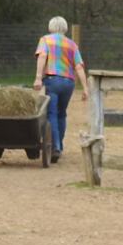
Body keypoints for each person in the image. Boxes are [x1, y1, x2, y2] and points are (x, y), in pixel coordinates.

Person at [33, 16, 89, 163]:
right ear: (65, 29)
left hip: (52, 80)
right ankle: (59, 146)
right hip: (68, 82)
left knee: (51, 113)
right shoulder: (72, 44)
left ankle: (55, 147)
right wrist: (85, 88)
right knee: (61, 114)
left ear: (50, 28)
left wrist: (38, 77)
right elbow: (78, 67)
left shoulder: (45, 40)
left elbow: (43, 55)